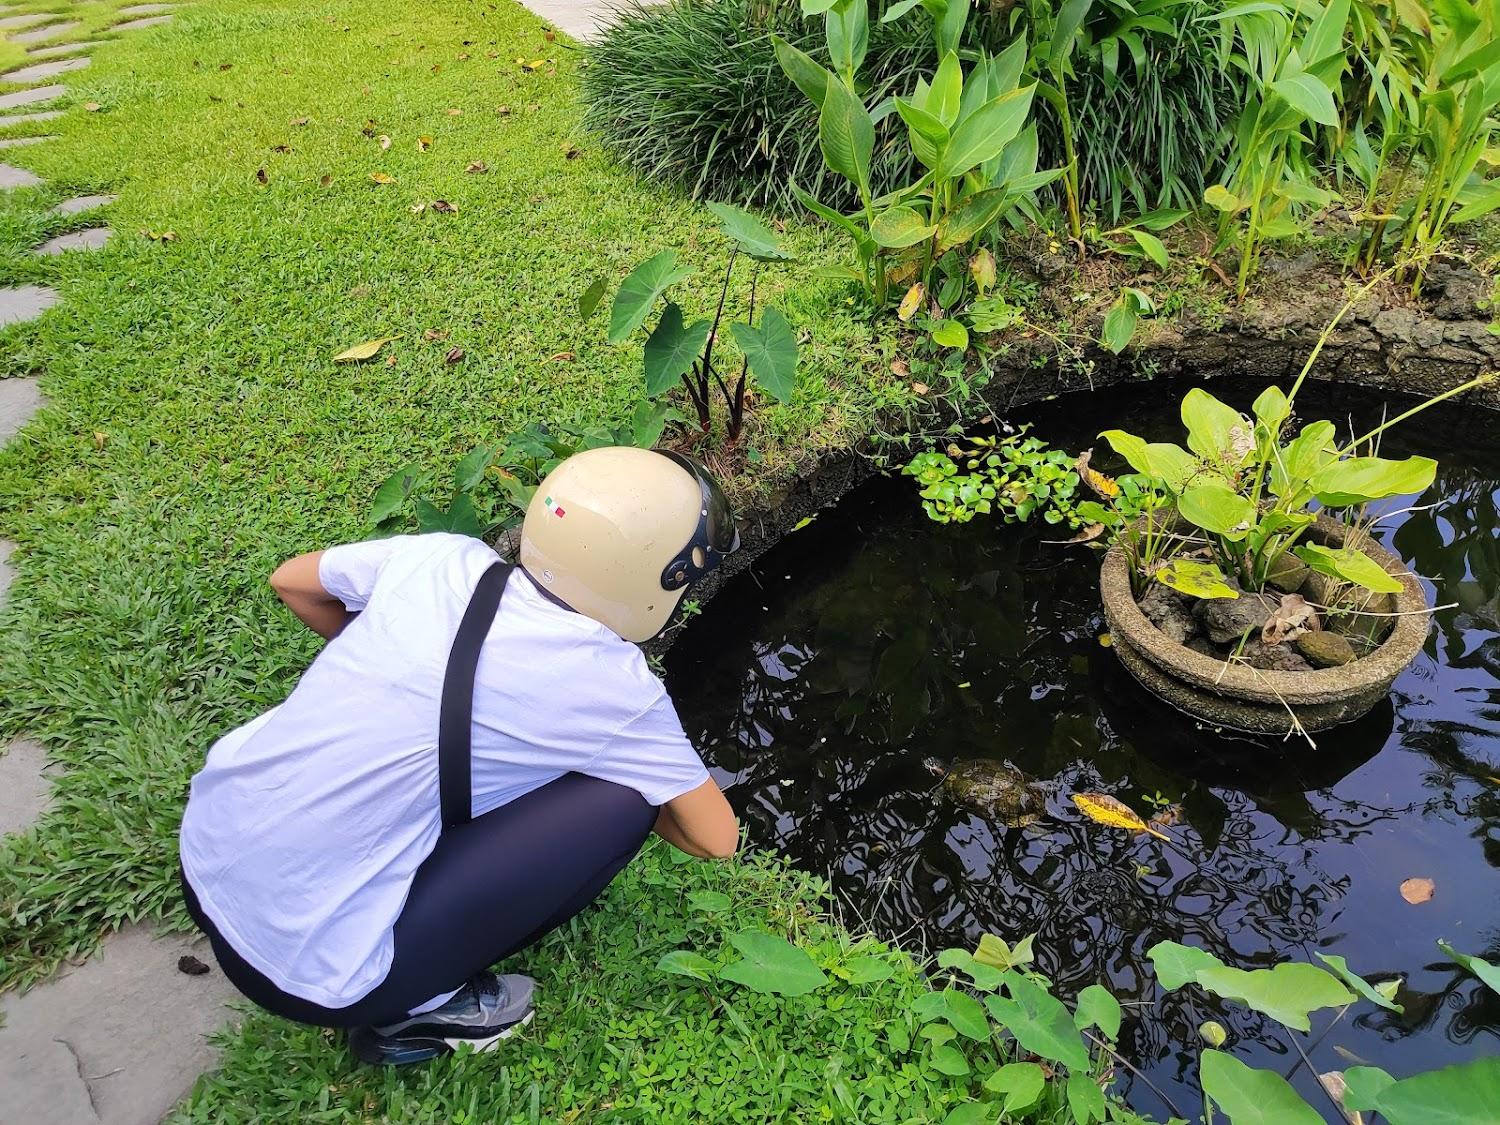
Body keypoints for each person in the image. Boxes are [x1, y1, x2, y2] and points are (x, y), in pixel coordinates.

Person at [179, 447, 741, 1066]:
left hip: (204, 854)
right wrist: (608, 769)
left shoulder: (440, 557)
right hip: (309, 974)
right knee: (627, 802)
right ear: (654, 579)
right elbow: (715, 836)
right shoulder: (614, 685)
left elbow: (292, 580)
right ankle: (422, 1010)